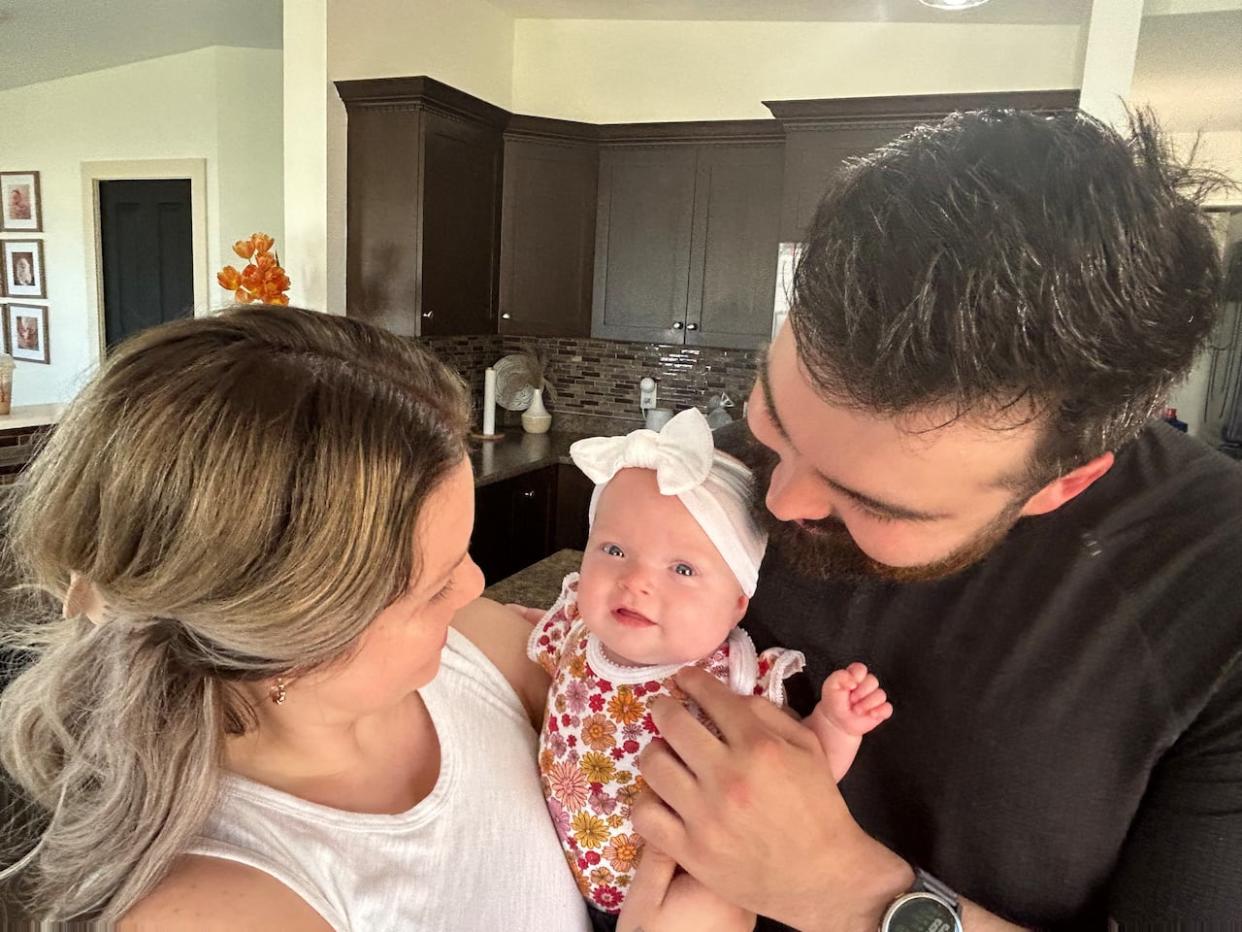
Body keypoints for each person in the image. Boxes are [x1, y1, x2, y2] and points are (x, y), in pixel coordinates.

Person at [623, 109, 1242, 928]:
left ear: (1061, 483)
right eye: (774, 422)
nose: (777, 501)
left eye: (871, 502)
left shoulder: (1216, 585)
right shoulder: (725, 470)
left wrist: (850, 894)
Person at [0, 305, 591, 929]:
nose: (474, 585)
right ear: (293, 640)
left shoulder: (475, 651)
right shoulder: (216, 906)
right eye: (432, 587)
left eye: (462, 557)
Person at [528, 408, 891, 919]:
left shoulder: (734, 679)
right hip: (562, 862)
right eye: (612, 549)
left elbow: (791, 781)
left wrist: (833, 723)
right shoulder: (575, 630)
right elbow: (540, 651)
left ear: (738, 603)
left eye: (681, 568)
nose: (636, 581)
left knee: (712, 907)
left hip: (679, 877)